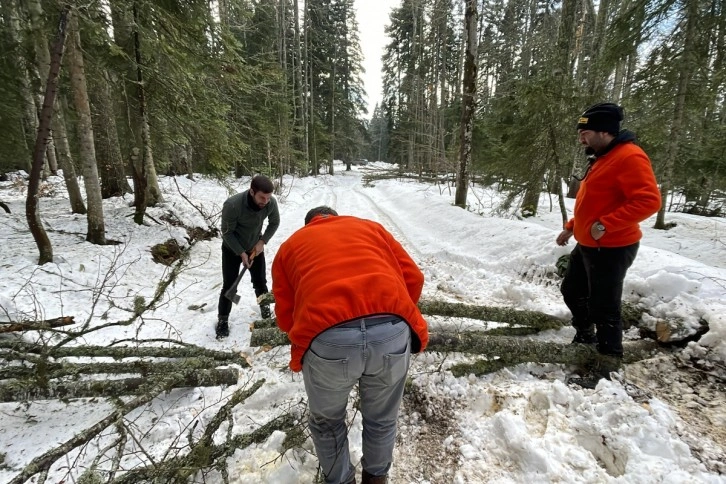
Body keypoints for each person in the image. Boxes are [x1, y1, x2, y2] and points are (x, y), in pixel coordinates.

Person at [272, 206, 429, 484]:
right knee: (381, 418)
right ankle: (376, 479)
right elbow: (414, 278)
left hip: (329, 339)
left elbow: (286, 316)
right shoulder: (371, 229)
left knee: (327, 423)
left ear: (310, 224)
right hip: (390, 332)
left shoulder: (290, 247)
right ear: (335, 217)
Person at [556, 102, 661, 387]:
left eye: (586, 132)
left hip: (612, 247)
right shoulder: (602, 157)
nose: (581, 138)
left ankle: (608, 366)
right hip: (589, 243)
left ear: (605, 131)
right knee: (571, 290)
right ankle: (586, 335)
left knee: (605, 306)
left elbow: (649, 200)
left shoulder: (629, 157)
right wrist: (571, 228)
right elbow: (593, 202)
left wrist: (605, 225)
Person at [216, 175, 280, 338]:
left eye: (268, 197)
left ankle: (265, 311)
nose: (265, 201)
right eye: (261, 197)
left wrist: (262, 242)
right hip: (232, 249)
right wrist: (241, 253)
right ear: (252, 192)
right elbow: (227, 233)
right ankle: (223, 320)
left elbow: (274, 222)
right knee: (230, 285)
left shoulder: (270, 203)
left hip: (255, 247)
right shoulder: (233, 205)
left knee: (260, 282)